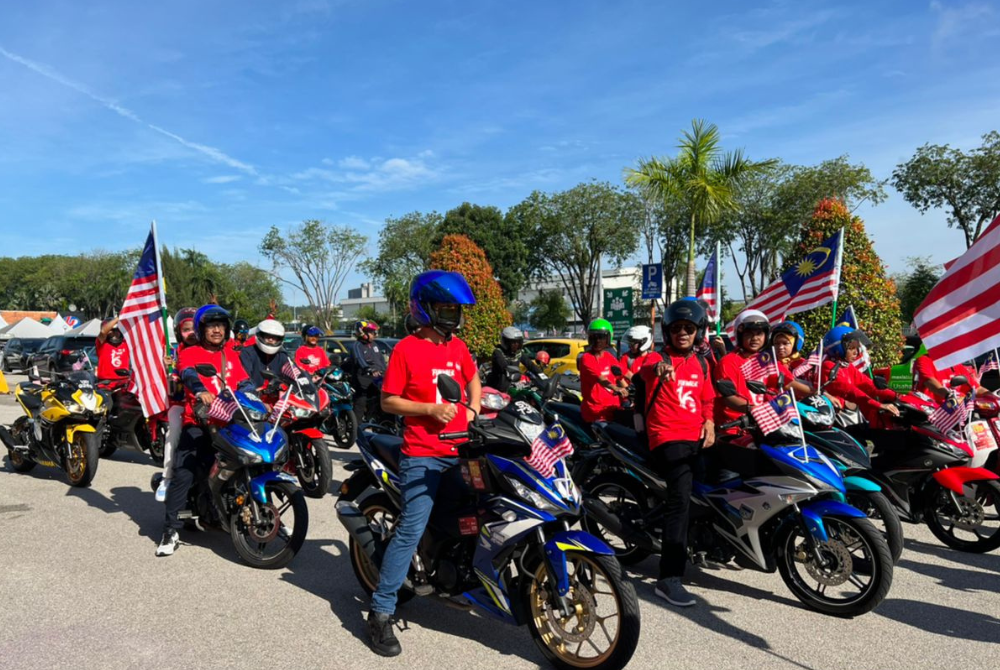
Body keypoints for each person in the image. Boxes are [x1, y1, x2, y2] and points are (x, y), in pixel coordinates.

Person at [366, 270, 481, 657]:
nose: (453, 314)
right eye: (446, 307)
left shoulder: (458, 348)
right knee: (412, 527)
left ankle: (462, 578)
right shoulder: (406, 349)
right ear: (426, 308)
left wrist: (475, 409)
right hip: (423, 454)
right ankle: (380, 612)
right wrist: (430, 408)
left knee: (483, 513)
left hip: (461, 450)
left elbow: (473, 380)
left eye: (456, 308)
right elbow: (388, 401)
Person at [634, 299, 715, 608]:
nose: (683, 333)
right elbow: (646, 369)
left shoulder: (702, 363)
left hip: (696, 437)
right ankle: (669, 578)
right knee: (680, 500)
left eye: (689, 328)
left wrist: (709, 421)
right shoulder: (656, 357)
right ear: (667, 331)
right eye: (677, 328)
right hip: (667, 438)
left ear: (698, 332)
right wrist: (659, 368)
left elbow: (707, 399)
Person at [156, 305, 252, 557]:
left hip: (230, 423)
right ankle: (170, 530)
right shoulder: (190, 353)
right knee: (184, 473)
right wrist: (200, 391)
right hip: (199, 422)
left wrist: (258, 393)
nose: (217, 329)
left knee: (253, 460)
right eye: (211, 325)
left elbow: (244, 381)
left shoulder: (230, 355)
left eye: (221, 325)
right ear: (202, 329)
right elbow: (188, 375)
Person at [714, 310, 811, 436]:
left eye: (759, 333)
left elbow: (788, 384)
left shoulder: (767, 359)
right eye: (749, 334)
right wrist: (753, 409)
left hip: (765, 426)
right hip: (735, 429)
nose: (755, 338)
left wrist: (820, 393)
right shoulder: (728, 362)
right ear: (740, 335)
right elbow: (728, 398)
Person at [155, 307, 198, 503]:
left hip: (213, 406)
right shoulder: (172, 354)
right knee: (174, 431)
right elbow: (173, 389)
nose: (192, 333)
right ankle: (167, 477)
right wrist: (168, 370)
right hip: (182, 405)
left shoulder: (212, 350)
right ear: (179, 332)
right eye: (186, 329)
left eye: (195, 328)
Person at [821, 326, 899, 429]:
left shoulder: (847, 366)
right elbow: (851, 392)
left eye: (857, 348)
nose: (856, 352)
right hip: (836, 418)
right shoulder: (829, 366)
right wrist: (880, 405)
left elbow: (869, 385)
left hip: (851, 415)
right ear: (838, 348)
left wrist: (898, 396)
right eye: (851, 348)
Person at [579, 319, 628, 424]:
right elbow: (601, 378)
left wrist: (638, 383)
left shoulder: (608, 356)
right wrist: (616, 388)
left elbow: (622, 374)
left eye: (601, 337)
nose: (598, 341)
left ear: (608, 338)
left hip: (612, 409)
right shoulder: (587, 358)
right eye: (594, 337)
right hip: (596, 413)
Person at [350, 320, 388, 422]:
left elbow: (380, 360)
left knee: (380, 401)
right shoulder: (357, 346)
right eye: (372, 332)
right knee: (360, 404)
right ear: (363, 333)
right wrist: (368, 368)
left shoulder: (374, 344)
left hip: (377, 379)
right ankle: (356, 431)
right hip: (363, 380)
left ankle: (377, 424)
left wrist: (386, 370)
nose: (374, 334)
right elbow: (359, 359)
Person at [913, 352, 988, 403]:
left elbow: (977, 388)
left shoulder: (955, 364)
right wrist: (949, 397)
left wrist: (992, 396)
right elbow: (930, 382)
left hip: (962, 410)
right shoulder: (924, 360)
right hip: (937, 411)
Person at [484, 326, 538, 393]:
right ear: (506, 342)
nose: (516, 345)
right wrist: (515, 374)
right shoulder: (498, 352)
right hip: (498, 389)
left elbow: (530, 364)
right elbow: (504, 367)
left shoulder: (519, 353)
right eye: (513, 342)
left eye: (518, 342)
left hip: (513, 386)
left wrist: (542, 375)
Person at [240, 318, 291, 389]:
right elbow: (244, 378)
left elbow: (292, 374)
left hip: (278, 397)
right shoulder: (248, 353)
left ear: (279, 339)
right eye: (267, 336)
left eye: (274, 337)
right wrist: (253, 390)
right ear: (260, 335)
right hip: (253, 396)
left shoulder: (282, 356)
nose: (270, 339)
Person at [95, 317, 130, 385]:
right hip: (105, 382)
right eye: (110, 331)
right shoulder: (102, 343)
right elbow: (103, 331)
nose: (112, 334)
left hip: (124, 381)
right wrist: (119, 317)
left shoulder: (126, 343)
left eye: (115, 331)